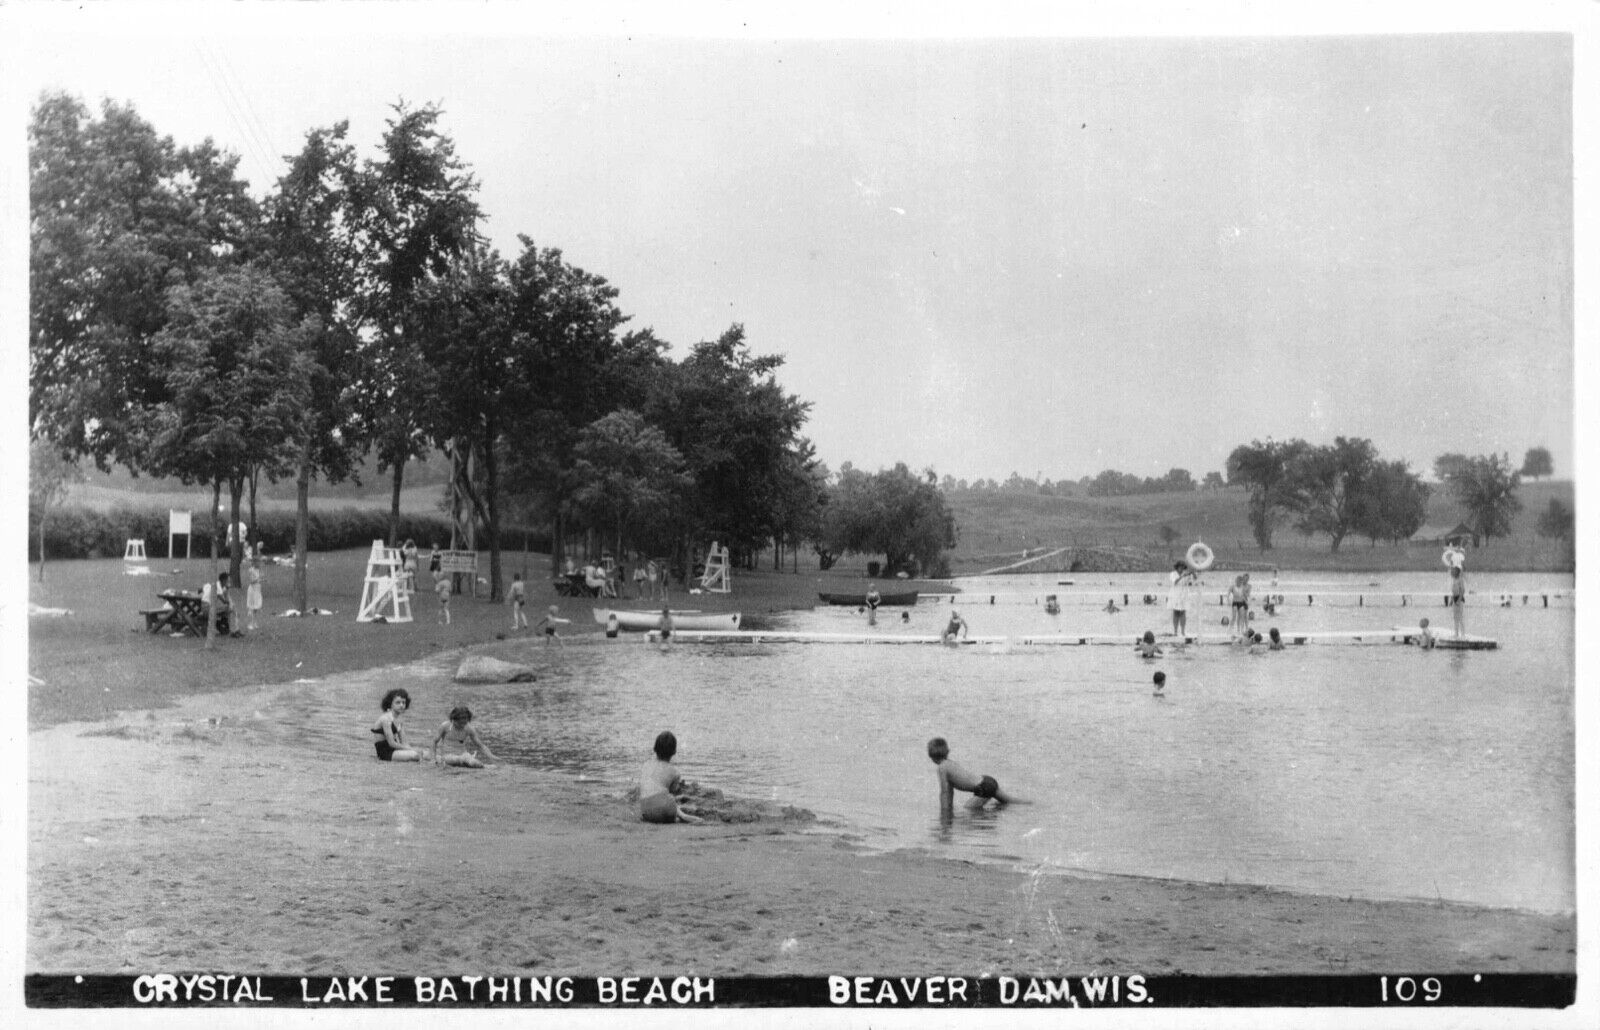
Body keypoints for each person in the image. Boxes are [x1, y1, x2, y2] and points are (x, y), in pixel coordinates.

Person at [927, 737, 1025, 811]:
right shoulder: (950, 763)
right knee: (1012, 801)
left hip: (983, 788)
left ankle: (989, 820)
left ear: (931, 756)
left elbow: (945, 792)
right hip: (987, 781)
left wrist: (945, 813)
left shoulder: (942, 768)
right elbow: (949, 791)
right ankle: (1034, 804)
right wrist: (949, 808)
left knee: (968, 808)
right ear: (947, 751)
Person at [638, 731, 703, 824]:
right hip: (665, 807)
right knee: (670, 802)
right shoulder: (674, 772)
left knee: (664, 800)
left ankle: (678, 817)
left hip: (645, 808)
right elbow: (672, 792)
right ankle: (683, 817)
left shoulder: (646, 765)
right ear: (674, 752)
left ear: (655, 749)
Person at [432, 706, 499, 768]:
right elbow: (434, 742)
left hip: (463, 754)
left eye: (464, 723)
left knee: (474, 763)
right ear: (453, 719)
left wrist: (492, 756)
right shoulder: (445, 726)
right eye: (459, 723)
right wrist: (433, 758)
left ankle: (484, 766)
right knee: (461, 759)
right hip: (447, 755)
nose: (462, 725)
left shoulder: (469, 728)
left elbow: (480, 746)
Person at [372, 688, 422, 762]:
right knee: (415, 755)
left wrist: (416, 750)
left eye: (403, 703)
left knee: (426, 754)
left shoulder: (399, 720)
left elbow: (404, 742)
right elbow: (391, 743)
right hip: (385, 753)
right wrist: (412, 750)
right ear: (390, 704)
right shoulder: (385, 719)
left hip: (395, 750)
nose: (401, 705)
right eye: (398, 703)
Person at [1167, 561, 1190, 638]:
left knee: (1183, 612)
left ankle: (1183, 631)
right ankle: (1175, 631)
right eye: (1180, 567)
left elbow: (1194, 580)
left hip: (1184, 595)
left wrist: (1192, 573)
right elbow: (1175, 582)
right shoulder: (1172, 574)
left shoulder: (1186, 574)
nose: (1181, 569)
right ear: (1177, 567)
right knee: (1176, 612)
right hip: (1175, 594)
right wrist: (1182, 576)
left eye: (1182, 567)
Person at [1228, 575, 1250, 641]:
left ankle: (1240, 630)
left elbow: (1244, 596)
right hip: (1235, 603)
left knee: (1241, 617)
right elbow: (1228, 593)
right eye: (1238, 581)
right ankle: (1230, 629)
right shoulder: (1233, 586)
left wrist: (1246, 601)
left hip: (1241, 603)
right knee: (1234, 617)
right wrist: (1228, 600)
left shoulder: (1242, 587)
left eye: (1240, 582)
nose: (1239, 583)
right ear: (1236, 581)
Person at [245, 558, 263, 633]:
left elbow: (258, 580)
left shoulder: (258, 570)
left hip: (257, 589)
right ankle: (250, 623)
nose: (259, 564)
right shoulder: (251, 570)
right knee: (251, 607)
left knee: (256, 607)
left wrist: (261, 579)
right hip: (252, 590)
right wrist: (259, 579)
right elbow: (251, 581)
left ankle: (254, 622)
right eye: (258, 562)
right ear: (254, 563)